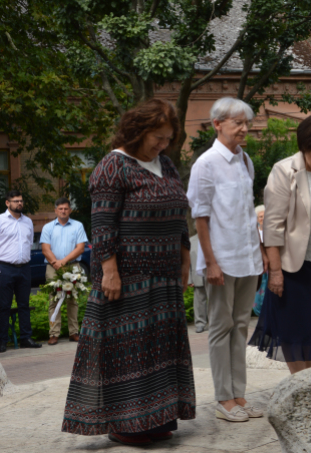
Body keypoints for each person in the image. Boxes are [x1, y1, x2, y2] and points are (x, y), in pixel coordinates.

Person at [62, 99, 194, 444]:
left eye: (168, 139)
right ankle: (127, 424)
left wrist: (184, 259)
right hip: (128, 277)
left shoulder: (166, 164)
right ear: (138, 130)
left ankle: (159, 417)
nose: (163, 145)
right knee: (129, 350)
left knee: (160, 347)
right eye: (158, 137)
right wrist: (109, 270)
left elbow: (179, 214)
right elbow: (102, 224)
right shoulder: (113, 165)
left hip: (163, 276)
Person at [187, 97, 267, 423]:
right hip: (221, 259)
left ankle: (239, 394)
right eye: (238, 123)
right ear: (218, 124)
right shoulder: (205, 164)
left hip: (248, 256)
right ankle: (223, 398)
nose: (244, 129)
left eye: (246, 123)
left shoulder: (245, 160)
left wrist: (260, 249)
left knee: (242, 326)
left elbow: (248, 213)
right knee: (221, 327)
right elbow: (201, 218)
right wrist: (211, 261)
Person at [249, 112, 311, 374]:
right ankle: (301, 383)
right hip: (294, 268)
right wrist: (275, 271)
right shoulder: (284, 171)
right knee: (294, 331)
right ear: (305, 145)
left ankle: (310, 382)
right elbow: (272, 226)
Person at [0, 190, 40, 353]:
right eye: (15, 201)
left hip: (24, 268)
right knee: (4, 306)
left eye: (21, 200)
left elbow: (28, 243)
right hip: (5, 268)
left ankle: (26, 338)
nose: (19, 203)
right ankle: (2, 340)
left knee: (24, 305)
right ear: (7, 203)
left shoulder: (27, 221)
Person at [41, 197, 89, 345]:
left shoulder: (78, 226)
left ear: (70, 210)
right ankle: (54, 333)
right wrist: (56, 263)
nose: (63, 211)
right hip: (53, 267)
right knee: (54, 300)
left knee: (72, 300)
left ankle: (74, 332)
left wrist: (63, 261)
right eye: (60, 209)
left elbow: (80, 248)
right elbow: (45, 248)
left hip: (73, 266)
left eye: (66, 208)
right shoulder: (48, 227)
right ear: (55, 210)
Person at [189, 234, 207, 333]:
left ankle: (215, 323)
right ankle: (200, 323)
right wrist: (189, 279)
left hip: (212, 274)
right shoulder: (191, 241)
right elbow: (187, 261)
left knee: (215, 301)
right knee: (199, 301)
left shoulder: (214, 237)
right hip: (197, 275)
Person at [252, 205, 267, 317]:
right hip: (258, 266)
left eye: (265, 216)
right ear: (256, 218)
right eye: (260, 216)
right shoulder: (254, 232)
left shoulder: (271, 231)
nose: (263, 218)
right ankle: (259, 312)